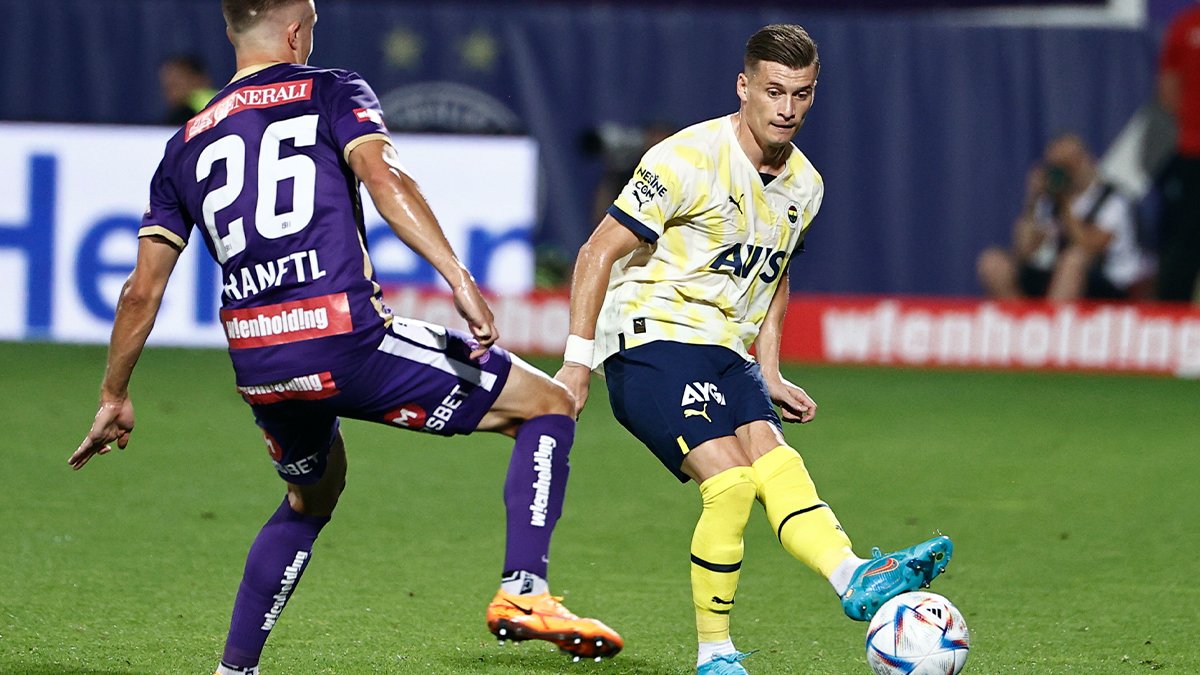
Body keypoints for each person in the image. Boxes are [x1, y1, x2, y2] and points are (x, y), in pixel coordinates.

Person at [69, 1, 622, 673]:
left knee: (312, 493)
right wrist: (457, 275)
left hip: (259, 361)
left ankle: (233, 669)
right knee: (548, 404)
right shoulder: (329, 88)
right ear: (297, 31)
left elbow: (140, 291)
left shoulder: (184, 144)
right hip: (346, 339)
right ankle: (524, 591)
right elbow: (386, 180)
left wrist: (114, 392)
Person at [553, 24, 952, 675]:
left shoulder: (806, 186)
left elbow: (776, 271)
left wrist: (769, 368)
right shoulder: (684, 160)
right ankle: (715, 654)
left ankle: (854, 577)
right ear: (744, 87)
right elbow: (598, 250)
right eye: (773, 91)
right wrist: (575, 360)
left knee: (775, 458)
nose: (787, 107)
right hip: (650, 338)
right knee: (733, 482)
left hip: (724, 348)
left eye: (801, 93)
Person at [977, 134, 1145, 301]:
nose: (1066, 173)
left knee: (1073, 260)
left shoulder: (1112, 199)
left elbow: (1090, 246)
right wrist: (1032, 199)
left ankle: (1053, 324)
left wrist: (1065, 205)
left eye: (1070, 164)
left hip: (1108, 280)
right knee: (992, 262)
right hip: (1060, 278)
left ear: (1087, 161)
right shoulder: (1050, 200)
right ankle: (1021, 322)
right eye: (1058, 167)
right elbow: (1025, 250)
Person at [1156, 1, 1200, 302]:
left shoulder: (1184, 25)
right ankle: (1172, 316)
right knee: (1187, 238)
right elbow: (1168, 87)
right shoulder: (1185, 26)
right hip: (1193, 150)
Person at [160, 54, 219, 126]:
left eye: (175, 84)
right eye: (166, 87)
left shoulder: (185, 113)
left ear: (197, 79)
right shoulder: (227, 99)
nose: (170, 92)